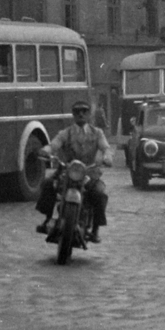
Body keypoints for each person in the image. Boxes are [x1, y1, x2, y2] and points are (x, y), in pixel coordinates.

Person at [37, 99, 112, 243]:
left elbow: (105, 147)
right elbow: (54, 144)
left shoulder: (97, 133)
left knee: (99, 193)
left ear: (89, 114)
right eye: (77, 112)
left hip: (90, 172)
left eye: (84, 111)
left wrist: (107, 157)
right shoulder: (66, 133)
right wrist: (45, 151)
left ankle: (95, 229)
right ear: (73, 114)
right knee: (48, 184)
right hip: (67, 170)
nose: (81, 115)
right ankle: (47, 219)